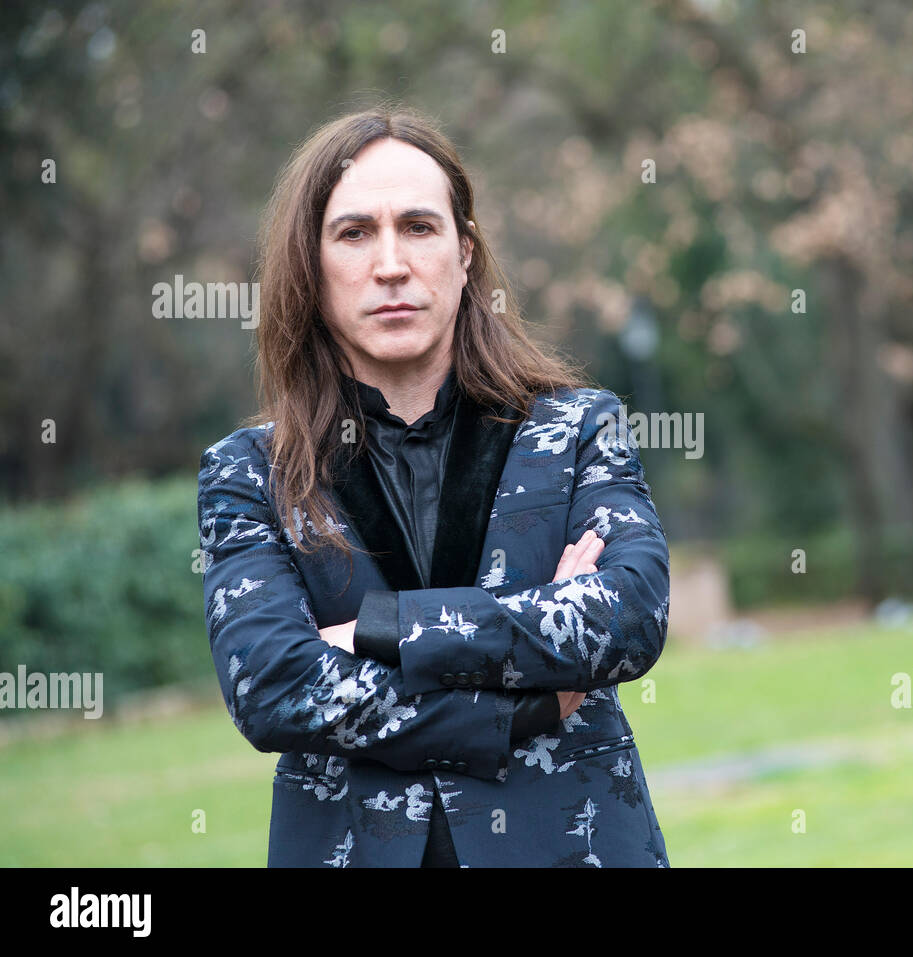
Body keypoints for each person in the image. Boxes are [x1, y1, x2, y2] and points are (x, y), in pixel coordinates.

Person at [197, 105, 671, 867]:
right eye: (354, 233)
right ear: (311, 266)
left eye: (418, 226)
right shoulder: (249, 474)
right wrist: (529, 708)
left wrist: (379, 629)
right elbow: (272, 684)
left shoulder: (581, 428)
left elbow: (627, 615)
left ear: (465, 253)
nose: (391, 263)